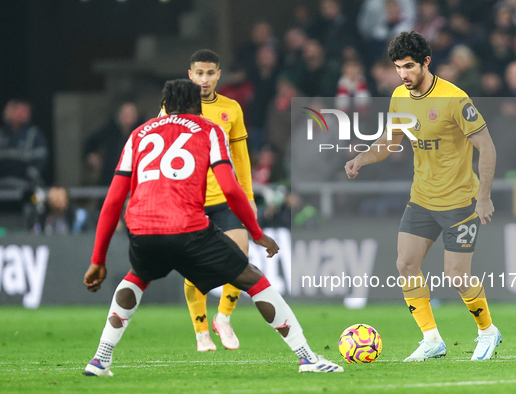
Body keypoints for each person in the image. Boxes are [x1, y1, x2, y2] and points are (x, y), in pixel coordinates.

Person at [83, 79, 343, 376]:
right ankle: (307, 357)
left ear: (165, 106)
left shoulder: (138, 134)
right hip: (187, 227)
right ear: (197, 105)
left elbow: (113, 200)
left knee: (138, 278)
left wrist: (97, 260)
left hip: (142, 228)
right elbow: (232, 190)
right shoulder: (210, 130)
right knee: (252, 278)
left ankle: (101, 358)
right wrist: (256, 233)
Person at [344, 31, 501, 362]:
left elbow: (486, 146)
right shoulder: (400, 96)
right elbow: (390, 141)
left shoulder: (454, 99)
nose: (403, 74)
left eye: (410, 66)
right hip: (422, 199)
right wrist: (363, 157)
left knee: (457, 276)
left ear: (426, 62)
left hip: (459, 201)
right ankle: (432, 339)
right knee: (405, 263)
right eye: (398, 67)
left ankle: (487, 331)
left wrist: (484, 196)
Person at [159, 49, 257, 352]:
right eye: (198, 73)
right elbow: (160, 151)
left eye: (210, 73)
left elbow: (240, 158)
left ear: (218, 75)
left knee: (240, 257)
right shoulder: (172, 107)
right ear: (190, 75)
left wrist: (248, 197)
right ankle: (201, 332)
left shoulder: (232, 109)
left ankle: (223, 318)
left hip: (225, 198)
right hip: (188, 200)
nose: (204, 79)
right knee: (194, 267)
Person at [84, 102, 141, 186]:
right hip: (110, 178)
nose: (128, 118)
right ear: (119, 116)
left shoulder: (143, 132)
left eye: (131, 114)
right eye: (126, 114)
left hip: (135, 179)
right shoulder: (109, 131)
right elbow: (90, 143)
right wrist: (91, 156)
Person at [0, 99, 48, 190]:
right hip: (2, 188)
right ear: (10, 111)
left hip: (26, 187)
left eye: (27, 111)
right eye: (21, 110)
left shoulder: (34, 134)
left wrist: (29, 177)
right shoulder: (1, 134)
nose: (25, 114)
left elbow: (41, 159)